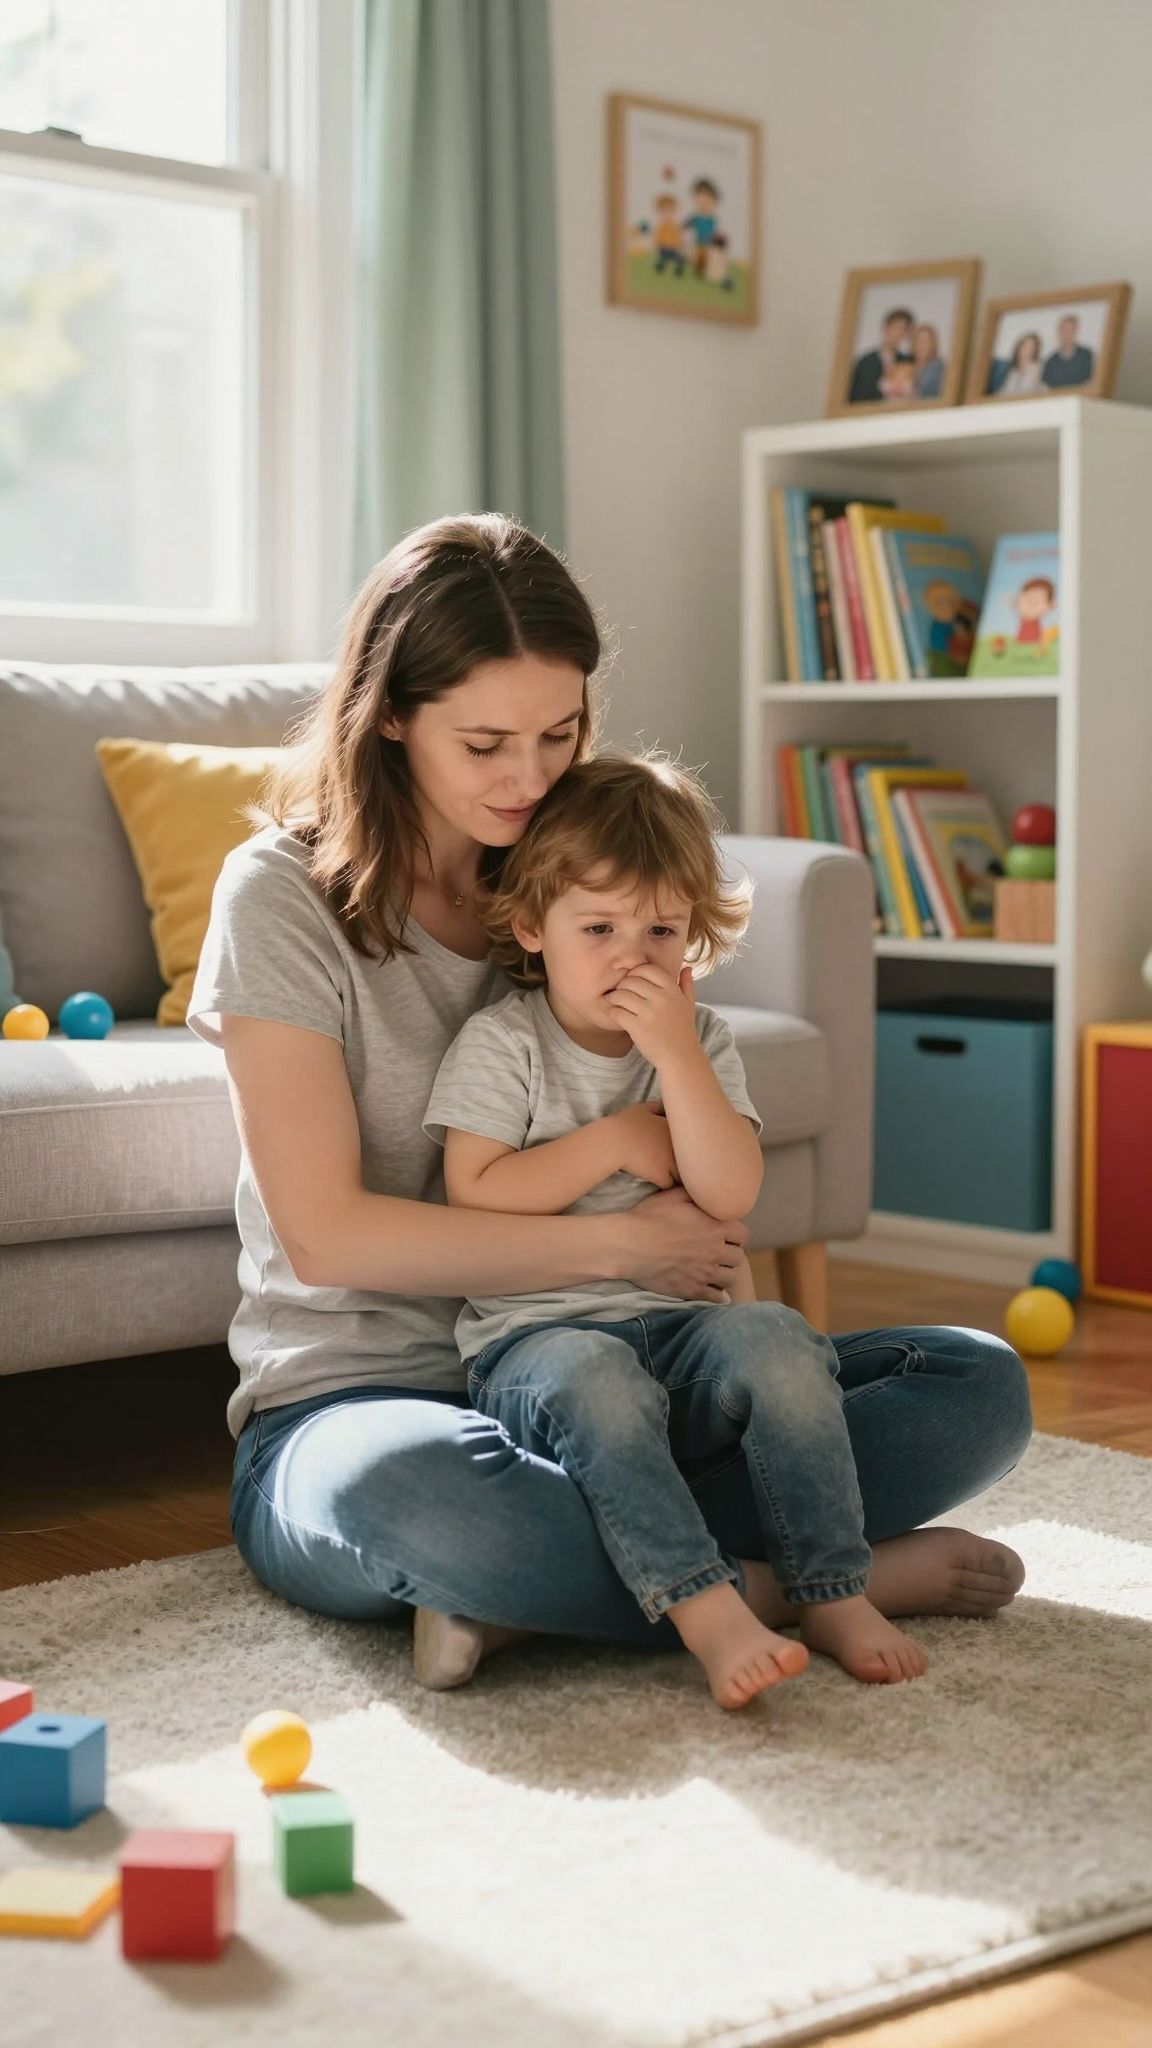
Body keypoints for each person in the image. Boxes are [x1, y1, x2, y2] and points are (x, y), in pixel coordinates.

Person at [187, 512, 1031, 1698]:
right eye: (484, 742)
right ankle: (811, 1577)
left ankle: (586, 1589)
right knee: (427, 1506)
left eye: (559, 731)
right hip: (375, 1403)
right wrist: (624, 1240)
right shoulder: (279, 896)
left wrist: (721, 1309)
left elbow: (692, 1152)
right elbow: (329, 1237)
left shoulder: (592, 880)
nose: (528, 778)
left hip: (634, 1380)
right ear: (390, 712)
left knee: (973, 1386)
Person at [424, 750, 939, 1709]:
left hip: (687, 1335)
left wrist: (672, 1057)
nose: (634, 956)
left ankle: (833, 1588)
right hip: (539, 1349)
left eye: (663, 929)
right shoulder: (505, 1043)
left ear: (695, 937)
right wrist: (616, 1138)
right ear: (534, 928)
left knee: (784, 1340)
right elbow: (476, 1191)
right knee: (599, 1381)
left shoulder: (697, 1044)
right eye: (601, 927)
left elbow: (730, 1188)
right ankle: (707, 1610)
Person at [848, 307, 914, 404]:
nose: (897, 334)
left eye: (903, 330)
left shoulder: (907, 361)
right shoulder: (865, 362)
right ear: (885, 328)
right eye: (895, 328)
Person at [1042, 313, 1096, 388]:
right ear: (1058, 332)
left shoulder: (1086, 355)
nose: (1067, 334)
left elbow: (1091, 382)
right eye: (1064, 330)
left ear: (1076, 332)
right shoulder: (1050, 362)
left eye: (1070, 330)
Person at [998, 332, 1044, 397]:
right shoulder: (1013, 370)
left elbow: (1025, 393)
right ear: (1019, 347)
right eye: (1025, 345)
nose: (1027, 349)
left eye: (1031, 346)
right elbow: (1004, 392)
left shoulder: (1035, 368)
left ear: (1035, 351)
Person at [912, 322, 945, 399]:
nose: (921, 345)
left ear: (933, 344)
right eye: (917, 341)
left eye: (925, 341)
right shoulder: (908, 367)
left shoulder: (937, 367)